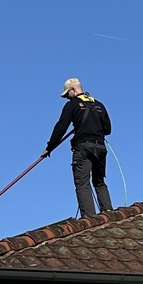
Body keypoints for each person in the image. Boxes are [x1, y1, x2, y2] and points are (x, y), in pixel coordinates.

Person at [43, 78, 113, 217]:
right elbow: (108, 129)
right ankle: (109, 213)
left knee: (82, 183)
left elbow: (61, 126)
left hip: (83, 148)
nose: (67, 98)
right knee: (99, 181)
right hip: (100, 147)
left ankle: (90, 219)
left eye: (67, 94)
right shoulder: (99, 104)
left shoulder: (72, 105)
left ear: (73, 90)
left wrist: (50, 147)